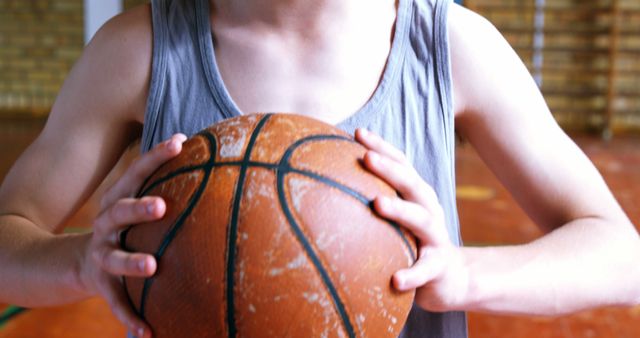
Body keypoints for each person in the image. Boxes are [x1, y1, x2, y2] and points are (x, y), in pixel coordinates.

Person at [1, 0, 638, 337]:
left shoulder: (449, 48)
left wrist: (465, 274)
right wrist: (80, 263)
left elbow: (621, 257)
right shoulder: (137, 51)